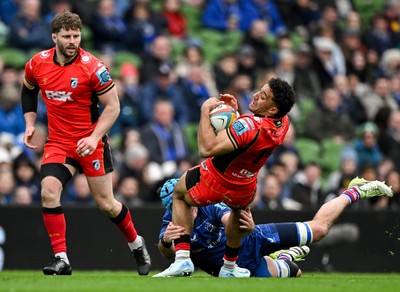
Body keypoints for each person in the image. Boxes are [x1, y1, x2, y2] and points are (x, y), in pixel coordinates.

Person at [20, 11, 151, 276]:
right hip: (58, 142)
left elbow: (113, 107)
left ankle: (136, 244)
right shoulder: (37, 63)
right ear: (54, 36)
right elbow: (28, 90)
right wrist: (30, 123)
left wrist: (93, 137)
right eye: (67, 36)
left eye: (76, 36)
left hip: (92, 142)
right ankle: (61, 258)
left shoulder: (93, 67)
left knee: (106, 204)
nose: (72, 41)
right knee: (48, 190)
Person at [153, 77, 296, 278]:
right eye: (259, 90)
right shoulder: (283, 123)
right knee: (238, 214)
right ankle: (230, 267)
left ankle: (183, 260)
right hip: (246, 185)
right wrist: (236, 115)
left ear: (273, 109)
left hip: (220, 178)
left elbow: (206, 148)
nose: (255, 95)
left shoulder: (250, 125)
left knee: (179, 194)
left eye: (263, 96)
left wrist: (205, 111)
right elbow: (248, 137)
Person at [155, 176, 393, 277]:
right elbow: (167, 255)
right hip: (241, 268)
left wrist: (244, 225)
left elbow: (230, 221)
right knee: (295, 273)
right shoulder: (170, 222)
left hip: (255, 239)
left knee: (318, 230)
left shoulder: (209, 205)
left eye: (190, 201)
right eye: (182, 205)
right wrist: (166, 242)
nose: (190, 207)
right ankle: (286, 256)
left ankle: (354, 190)